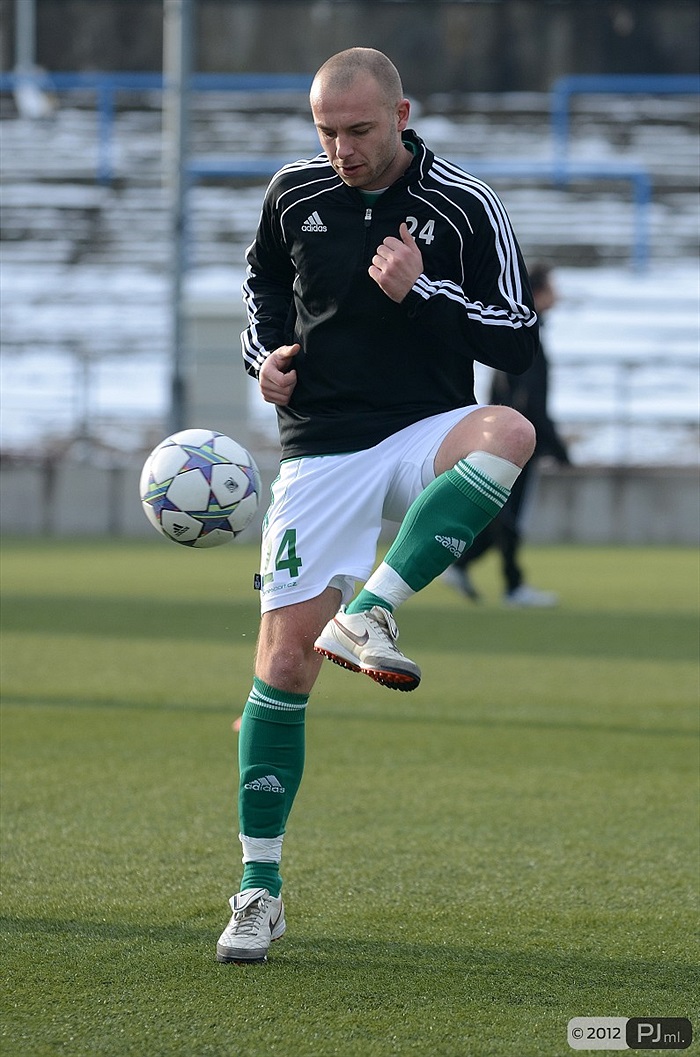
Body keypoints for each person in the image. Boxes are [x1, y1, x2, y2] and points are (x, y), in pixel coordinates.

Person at [216, 47, 539, 964]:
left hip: (424, 429)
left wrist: (421, 292)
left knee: (507, 431)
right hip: (319, 449)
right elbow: (263, 290)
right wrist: (265, 359)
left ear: (403, 114)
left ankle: (371, 611)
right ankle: (258, 890)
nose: (341, 149)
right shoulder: (292, 194)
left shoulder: (464, 205)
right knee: (281, 672)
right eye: (325, 131)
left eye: (358, 130)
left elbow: (516, 331)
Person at [442, 263, 571, 607]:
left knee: (502, 517)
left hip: (508, 439)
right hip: (516, 443)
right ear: (540, 292)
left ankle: (463, 566)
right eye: (552, 286)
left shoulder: (521, 334)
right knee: (508, 518)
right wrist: (558, 448)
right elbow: (530, 400)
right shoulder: (529, 340)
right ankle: (512, 586)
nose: (558, 293)